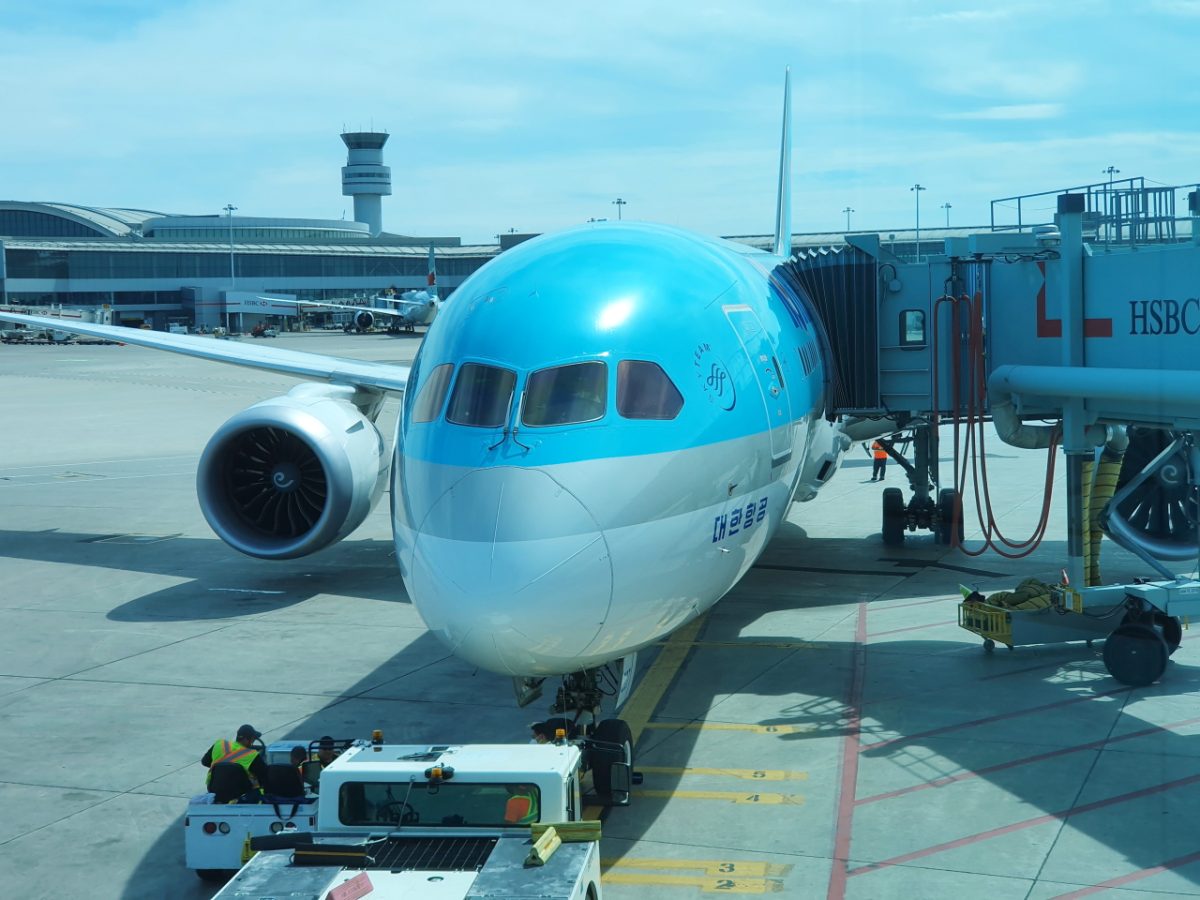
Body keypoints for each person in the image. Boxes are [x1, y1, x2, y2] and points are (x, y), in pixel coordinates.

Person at [202, 724, 267, 792]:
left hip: (213, 790)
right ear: (245, 739)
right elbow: (265, 775)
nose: (252, 743)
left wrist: (223, 771)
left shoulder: (220, 744)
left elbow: (205, 761)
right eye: (252, 740)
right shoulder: (251, 755)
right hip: (240, 795)